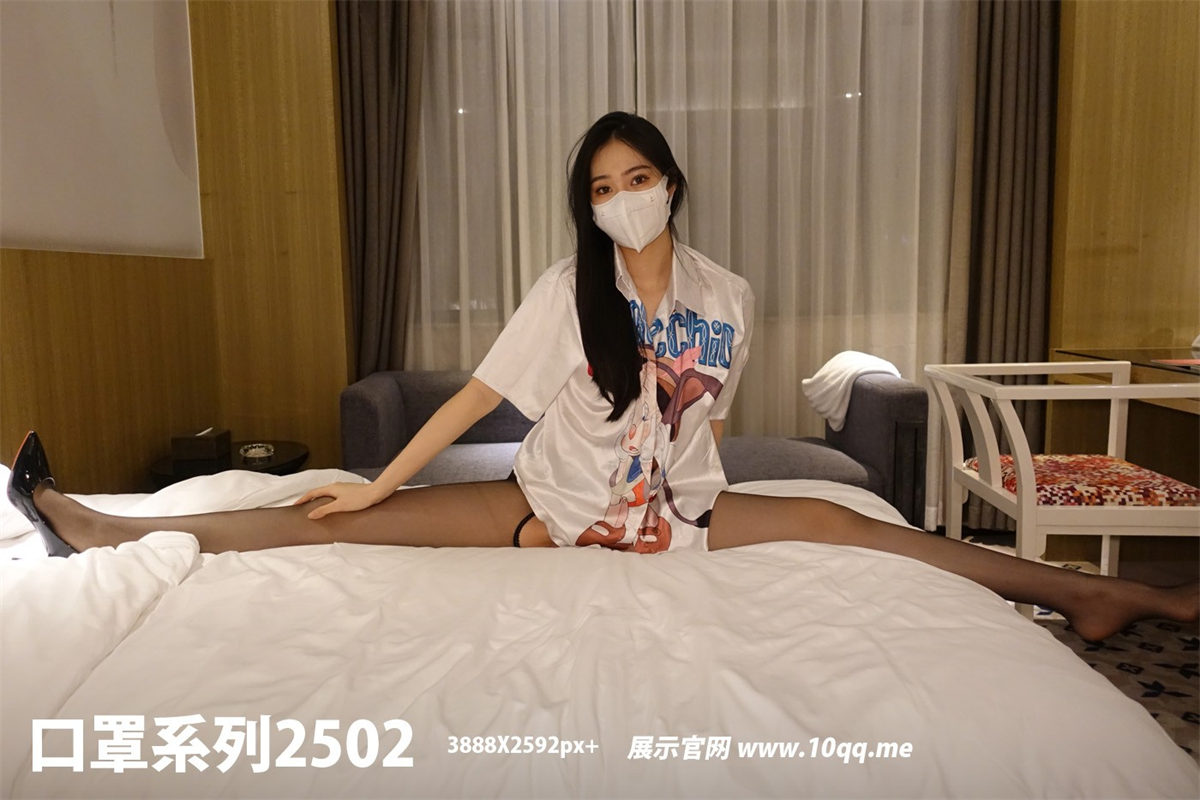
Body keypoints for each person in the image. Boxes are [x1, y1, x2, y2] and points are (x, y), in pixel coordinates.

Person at [8, 111, 1197, 643]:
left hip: (678, 515)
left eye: (637, 177)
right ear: (590, 206)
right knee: (332, 518)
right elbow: (477, 397)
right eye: (601, 186)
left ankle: (1083, 591)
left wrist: (688, 498)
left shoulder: (729, 296)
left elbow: (705, 422)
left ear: (671, 182)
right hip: (551, 501)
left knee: (854, 523)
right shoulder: (567, 288)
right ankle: (106, 525)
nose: (622, 197)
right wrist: (381, 480)